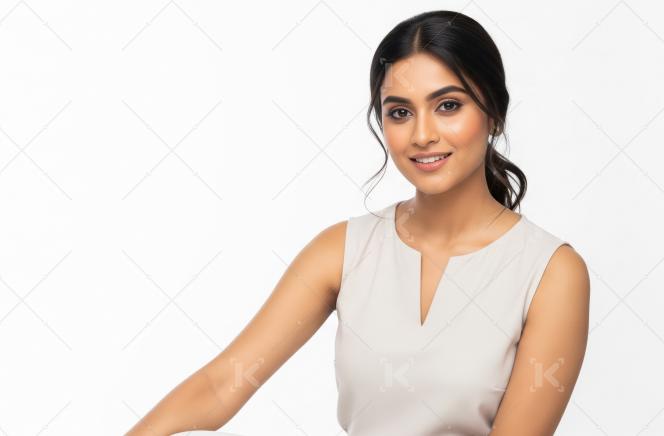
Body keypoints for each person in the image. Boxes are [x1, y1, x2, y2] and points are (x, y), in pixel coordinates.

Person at [127, 9, 589, 436]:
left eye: (448, 105)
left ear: (493, 112)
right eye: (400, 112)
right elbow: (221, 384)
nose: (423, 134)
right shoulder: (343, 250)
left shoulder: (551, 272)